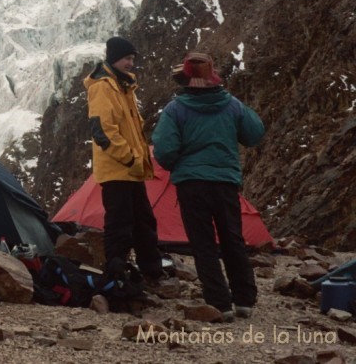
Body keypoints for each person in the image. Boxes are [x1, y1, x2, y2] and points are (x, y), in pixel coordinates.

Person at [152, 52, 265, 321]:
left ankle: (219, 304)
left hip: (191, 185)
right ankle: (244, 301)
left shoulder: (175, 110)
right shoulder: (232, 105)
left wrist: (182, 162)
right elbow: (254, 133)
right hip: (225, 182)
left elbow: (164, 151)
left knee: (203, 244)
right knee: (232, 239)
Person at [85, 36, 163, 283]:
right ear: (115, 58)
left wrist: (136, 162)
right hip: (118, 168)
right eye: (127, 58)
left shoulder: (124, 86)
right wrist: (130, 159)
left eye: (132, 59)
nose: (131, 63)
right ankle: (116, 273)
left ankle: (151, 270)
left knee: (143, 221)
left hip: (131, 168)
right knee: (120, 223)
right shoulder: (102, 87)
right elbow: (103, 131)